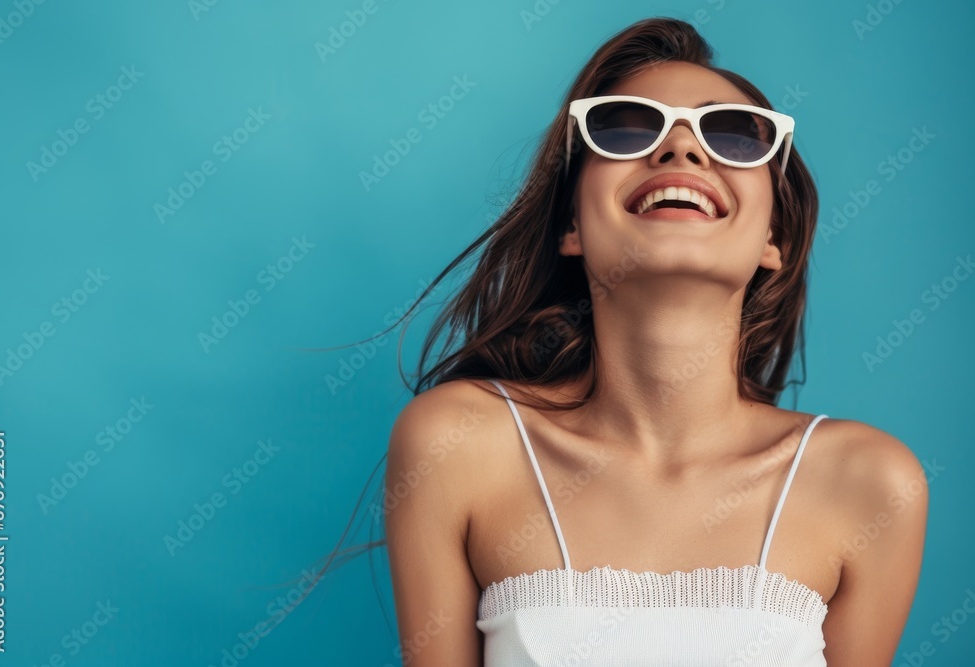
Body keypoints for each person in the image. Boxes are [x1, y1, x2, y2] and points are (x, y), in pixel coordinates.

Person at [382, 16, 927, 666]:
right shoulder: (457, 443)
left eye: (730, 135)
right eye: (625, 125)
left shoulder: (871, 483)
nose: (681, 149)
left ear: (773, 240)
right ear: (572, 226)